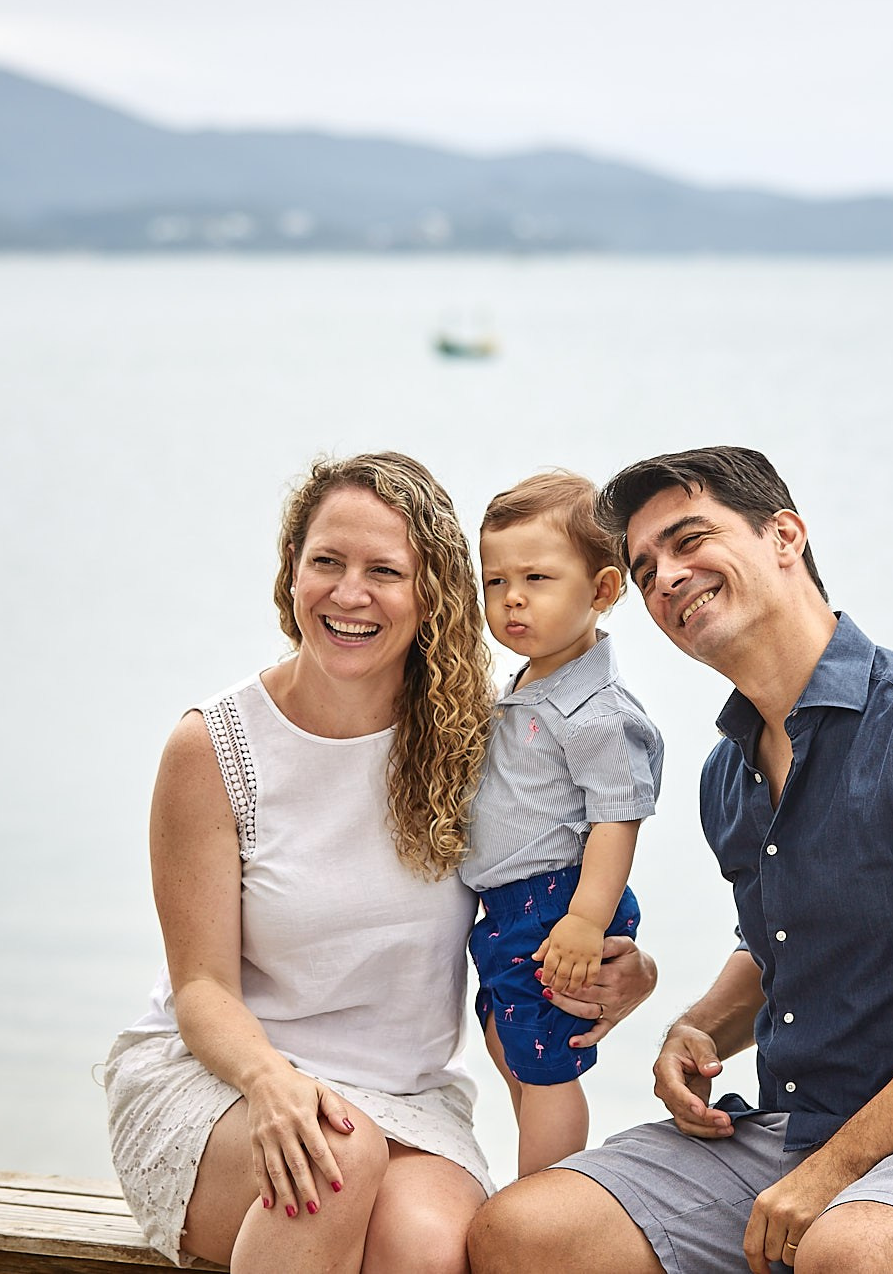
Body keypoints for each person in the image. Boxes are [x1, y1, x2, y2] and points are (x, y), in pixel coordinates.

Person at [467, 446, 893, 1274]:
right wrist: (696, 1027)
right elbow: (776, 944)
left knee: (851, 1251)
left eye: (690, 540)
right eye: (645, 568)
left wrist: (837, 1168)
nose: (667, 577)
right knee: (519, 1231)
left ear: (785, 535)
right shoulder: (729, 772)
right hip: (790, 1129)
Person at [102, 452, 654, 1274]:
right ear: (292, 571)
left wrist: (625, 967)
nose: (349, 593)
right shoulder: (214, 748)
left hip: (408, 1097)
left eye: (384, 571)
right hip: (225, 1082)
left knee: (428, 1248)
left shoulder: (480, 741)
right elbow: (202, 989)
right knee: (336, 1158)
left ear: (429, 591)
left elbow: (544, 895)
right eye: (326, 561)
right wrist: (270, 1081)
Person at [462, 472, 663, 1177]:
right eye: (494, 581)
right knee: (509, 1041)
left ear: (603, 591)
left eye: (537, 578)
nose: (511, 598)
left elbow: (616, 819)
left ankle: (541, 1202)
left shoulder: (600, 713)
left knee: (550, 1068)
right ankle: (541, 1183)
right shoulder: (525, 684)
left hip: (559, 903)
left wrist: (584, 919)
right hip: (510, 906)